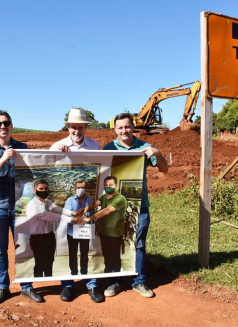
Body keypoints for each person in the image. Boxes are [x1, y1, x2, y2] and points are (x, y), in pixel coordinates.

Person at [0, 110, 41, 304]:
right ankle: (3, 287)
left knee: (25, 248)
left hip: (20, 207)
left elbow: (32, 175)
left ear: (11, 125)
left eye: (6, 123)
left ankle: (27, 287)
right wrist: (4, 158)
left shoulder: (22, 147)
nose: (3, 127)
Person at [102, 112, 168, 298]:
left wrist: (157, 153)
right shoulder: (107, 149)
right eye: (120, 127)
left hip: (140, 205)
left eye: (127, 127)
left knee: (138, 244)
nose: (124, 130)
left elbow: (164, 169)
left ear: (133, 127)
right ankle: (114, 281)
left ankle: (139, 282)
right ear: (115, 129)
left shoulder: (145, 147)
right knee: (114, 243)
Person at [50, 108, 104, 303]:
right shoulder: (57, 145)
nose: (77, 131)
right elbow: (48, 170)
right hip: (67, 206)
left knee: (89, 246)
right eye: (73, 127)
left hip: (87, 205)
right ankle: (68, 285)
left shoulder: (94, 145)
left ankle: (92, 284)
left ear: (85, 128)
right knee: (68, 247)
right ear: (68, 127)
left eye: (80, 127)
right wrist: (56, 155)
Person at [25, 179, 83, 279]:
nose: (43, 190)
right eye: (41, 189)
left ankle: (49, 281)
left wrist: (73, 213)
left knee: (49, 261)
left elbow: (56, 209)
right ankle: (40, 284)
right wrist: (72, 219)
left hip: (49, 236)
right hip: (38, 238)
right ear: (34, 190)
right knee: (39, 263)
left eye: (46, 188)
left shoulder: (47, 201)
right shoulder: (33, 204)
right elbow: (49, 216)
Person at [83, 176, 128, 291]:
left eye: (111, 185)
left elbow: (106, 211)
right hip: (103, 232)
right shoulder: (104, 197)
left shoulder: (120, 198)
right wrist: (84, 209)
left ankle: (116, 281)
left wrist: (90, 218)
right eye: (106, 185)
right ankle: (108, 277)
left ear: (116, 186)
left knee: (115, 257)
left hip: (114, 234)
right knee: (107, 255)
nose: (108, 187)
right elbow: (95, 204)